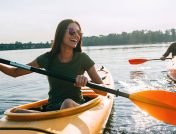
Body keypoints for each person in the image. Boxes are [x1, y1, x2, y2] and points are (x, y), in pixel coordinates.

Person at [0, 19, 106, 112]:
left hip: (75, 106)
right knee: (16, 111)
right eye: (72, 31)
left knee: (67, 103)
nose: (76, 36)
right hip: (52, 108)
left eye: (79, 33)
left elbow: (104, 92)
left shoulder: (83, 58)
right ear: (60, 33)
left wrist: (85, 81)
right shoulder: (47, 58)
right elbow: (14, 72)